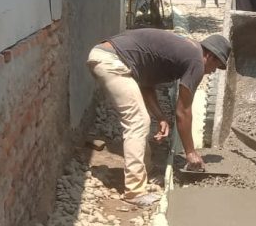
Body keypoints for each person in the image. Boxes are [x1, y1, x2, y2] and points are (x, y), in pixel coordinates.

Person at [87, 30, 230, 206]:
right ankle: (134, 192)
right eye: (215, 66)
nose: (212, 72)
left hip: (105, 55)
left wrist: (161, 117)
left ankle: (146, 170)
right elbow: (183, 111)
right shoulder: (196, 61)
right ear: (210, 55)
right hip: (111, 60)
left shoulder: (184, 52)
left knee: (141, 118)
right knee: (138, 121)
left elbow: (146, 85)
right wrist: (190, 152)